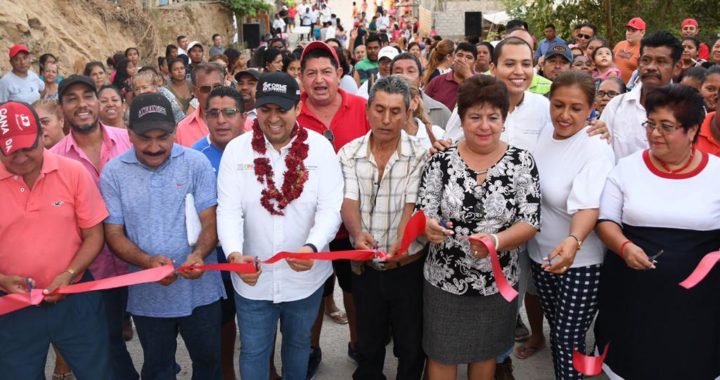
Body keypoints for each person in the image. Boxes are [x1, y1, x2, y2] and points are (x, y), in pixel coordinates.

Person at [216, 71, 343, 380]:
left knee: (298, 346)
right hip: (252, 279)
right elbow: (228, 211)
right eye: (265, 109)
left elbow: (331, 209)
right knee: (254, 350)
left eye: (281, 109)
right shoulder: (237, 150)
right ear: (255, 110)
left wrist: (312, 248)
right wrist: (234, 256)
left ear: (298, 108)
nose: (272, 118)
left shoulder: (320, 149)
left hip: (305, 279)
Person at [417, 75, 541, 380]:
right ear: (461, 119)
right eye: (475, 117)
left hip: (495, 284)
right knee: (442, 354)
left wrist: (496, 241)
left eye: (492, 117)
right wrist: (428, 227)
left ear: (504, 117)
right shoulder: (441, 161)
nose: (484, 125)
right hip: (444, 281)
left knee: (484, 356)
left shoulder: (521, 162)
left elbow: (530, 220)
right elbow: (423, 213)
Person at [595, 84, 720, 380]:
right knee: (635, 363)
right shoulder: (626, 169)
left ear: (692, 131)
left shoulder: (716, 173)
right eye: (650, 124)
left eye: (667, 126)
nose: (654, 133)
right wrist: (624, 247)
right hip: (634, 299)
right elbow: (606, 222)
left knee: (693, 363)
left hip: (700, 306)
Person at [102, 92, 225, 379]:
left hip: (201, 292)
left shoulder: (195, 163)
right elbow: (113, 232)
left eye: (163, 137)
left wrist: (198, 255)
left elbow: (211, 220)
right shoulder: (113, 174)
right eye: (145, 138)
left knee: (209, 364)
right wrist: (146, 262)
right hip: (148, 297)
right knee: (158, 369)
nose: (155, 147)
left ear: (174, 132)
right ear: (130, 134)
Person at [0, 101, 110, 379]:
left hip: (74, 298)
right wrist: (2, 279)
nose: (23, 157)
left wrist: (70, 273)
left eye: (30, 147)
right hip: (13, 304)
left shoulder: (72, 172)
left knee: (97, 372)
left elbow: (94, 234)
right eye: (13, 152)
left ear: (42, 135)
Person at [49, 75, 140, 380]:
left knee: (160, 337)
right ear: (62, 109)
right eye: (71, 98)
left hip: (142, 259)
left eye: (87, 96)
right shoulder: (54, 159)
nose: (81, 104)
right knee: (110, 341)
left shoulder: (130, 140)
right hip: (96, 270)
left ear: (98, 101)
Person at [338, 76, 428, 379]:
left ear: (407, 113)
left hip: (408, 268)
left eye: (394, 111)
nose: (386, 119)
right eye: (379, 109)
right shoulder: (348, 153)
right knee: (369, 344)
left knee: (411, 345)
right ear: (367, 110)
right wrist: (355, 233)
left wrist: (399, 248)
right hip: (365, 269)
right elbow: (348, 200)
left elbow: (410, 206)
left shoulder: (421, 154)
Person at [527, 71, 615, 379]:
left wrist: (574, 241)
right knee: (562, 335)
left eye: (576, 108)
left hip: (581, 262)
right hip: (541, 257)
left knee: (566, 338)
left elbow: (589, 205)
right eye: (558, 105)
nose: (564, 115)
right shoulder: (543, 135)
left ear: (591, 107)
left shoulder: (595, 147)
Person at [297, 41, 372, 368]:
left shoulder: (363, 107)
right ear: (300, 78)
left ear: (340, 74)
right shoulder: (290, 112)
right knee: (312, 293)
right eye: (311, 73)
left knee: (355, 290)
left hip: (354, 223)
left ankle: (357, 344)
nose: (319, 79)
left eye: (326, 71)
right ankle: (311, 350)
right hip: (307, 227)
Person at [192, 86, 246, 380]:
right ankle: (227, 372)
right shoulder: (194, 158)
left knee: (258, 325)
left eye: (229, 113)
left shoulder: (259, 149)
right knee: (224, 323)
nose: (221, 120)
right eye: (213, 113)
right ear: (203, 117)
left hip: (254, 256)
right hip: (216, 264)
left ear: (243, 116)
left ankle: (268, 368)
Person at [600, 31, 682, 161]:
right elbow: (601, 154)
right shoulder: (616, 107)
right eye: (646, 60)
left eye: (660, 61)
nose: (651, 67)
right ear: (638, 64)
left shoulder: (687, 109)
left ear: (677, 67)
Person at [391, 52, 452, 129]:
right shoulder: (381, 112)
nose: (404, 76)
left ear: (420, 78)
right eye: (398, 72)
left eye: (410, 71)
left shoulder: (441, 112)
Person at [176, 63, 225, 146]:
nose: (212, 93)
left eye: (217, 87)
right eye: (205, 89)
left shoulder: (245, 124)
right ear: (194, 91)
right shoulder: (182, 129)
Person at [425, 42, 477, 110]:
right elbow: (423, 107)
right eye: (460, 55)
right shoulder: (437, 81)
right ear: (453, 58)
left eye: (469, 57)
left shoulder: (482, 82)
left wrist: (467, 75)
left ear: (475, 63)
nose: (463, 60)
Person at [613, 17, 645, 84]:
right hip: (612, 86)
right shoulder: (620, 44)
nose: (629, 33)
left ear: (642, 32)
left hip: (629, 91)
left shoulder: (644, 50)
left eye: (633, 30)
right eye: (628, 30)